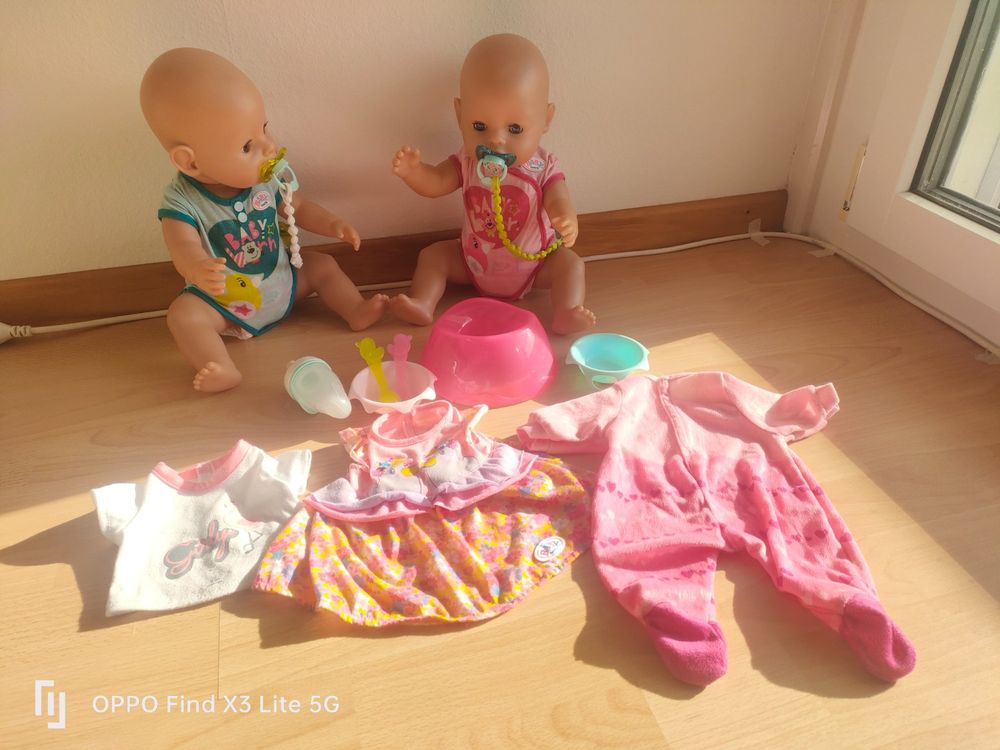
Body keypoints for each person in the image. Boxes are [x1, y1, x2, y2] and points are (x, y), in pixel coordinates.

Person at [140, 48, 387, 393]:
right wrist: (197, 268)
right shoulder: (182, 201)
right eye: (247, 146)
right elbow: (181, 244)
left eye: (264, 129)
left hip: (284, 283)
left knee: (323, 265)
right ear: (190, 163)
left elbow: (298, 206)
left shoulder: (267, 179)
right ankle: (220, 365)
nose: (269, 147)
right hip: (226, 305)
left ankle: (355, 309)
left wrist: (333, 224)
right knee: (184, 316)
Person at [390, 34, 596, 335]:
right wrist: (414, 172)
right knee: (432, 256)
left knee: (571, 265)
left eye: (515, 128)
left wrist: (565, 218)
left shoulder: (542, 166)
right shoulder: (467, 160)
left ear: (545, 119)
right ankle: (423, 302)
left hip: (534, 268)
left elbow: (557, 197)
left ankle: (566, 310)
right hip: (474, 262)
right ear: (460, 115)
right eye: (479, 126)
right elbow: (437, 183)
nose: (496, 140)